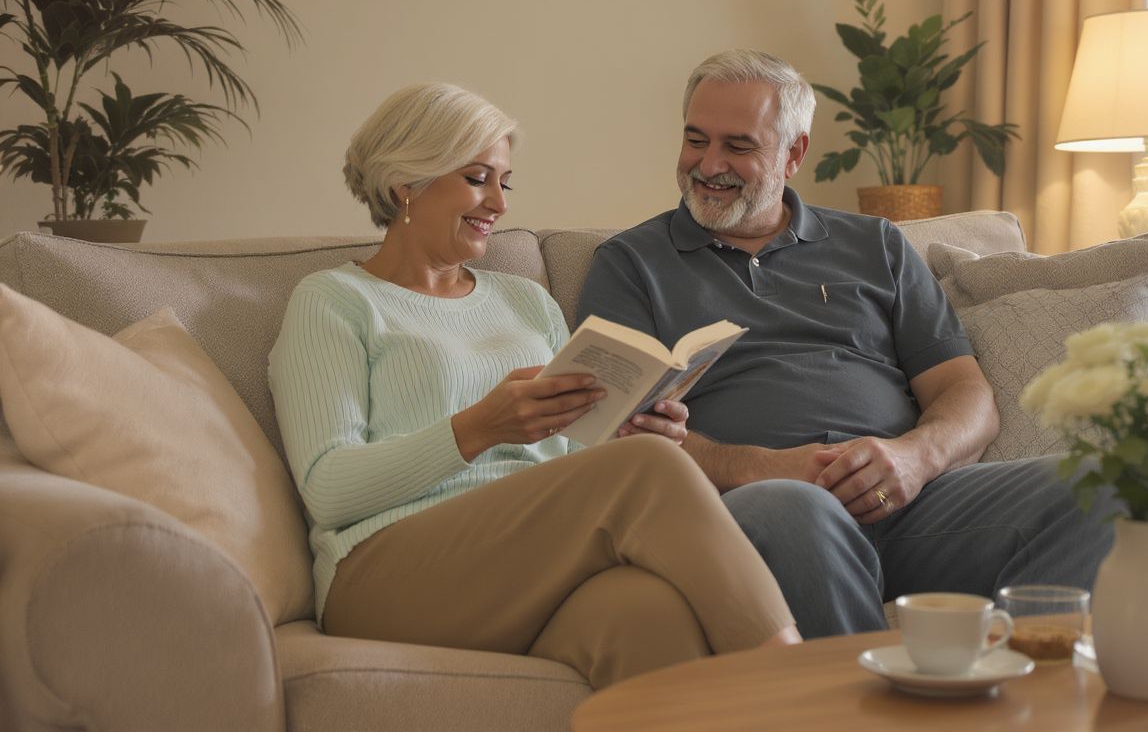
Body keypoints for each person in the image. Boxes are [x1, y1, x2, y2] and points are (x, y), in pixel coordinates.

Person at [267, 82, 799, 689]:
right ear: (404, 184)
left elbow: (569, 463)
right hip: (385, 572)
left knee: (648, 613)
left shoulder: (526, 302)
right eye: (477, 178)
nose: (498, 202)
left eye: (504, 182)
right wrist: (478, 428)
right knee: (645, 468)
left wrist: (623, 428)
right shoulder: (335, 301)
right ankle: (794, 684)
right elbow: (328, 490)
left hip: (530, 565)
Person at [575, 49, 1115, 639]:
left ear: (795, 154)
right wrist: (769, 468)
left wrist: (915, 458)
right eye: (696, 140)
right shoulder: (630, 264)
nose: (708, 164)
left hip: (908, 503)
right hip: (757, 508)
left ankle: (1031, 707)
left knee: (1100, 482)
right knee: (792, 508)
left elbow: (965, 392)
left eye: (738, 146)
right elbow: (625, 438)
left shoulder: (875, 244)